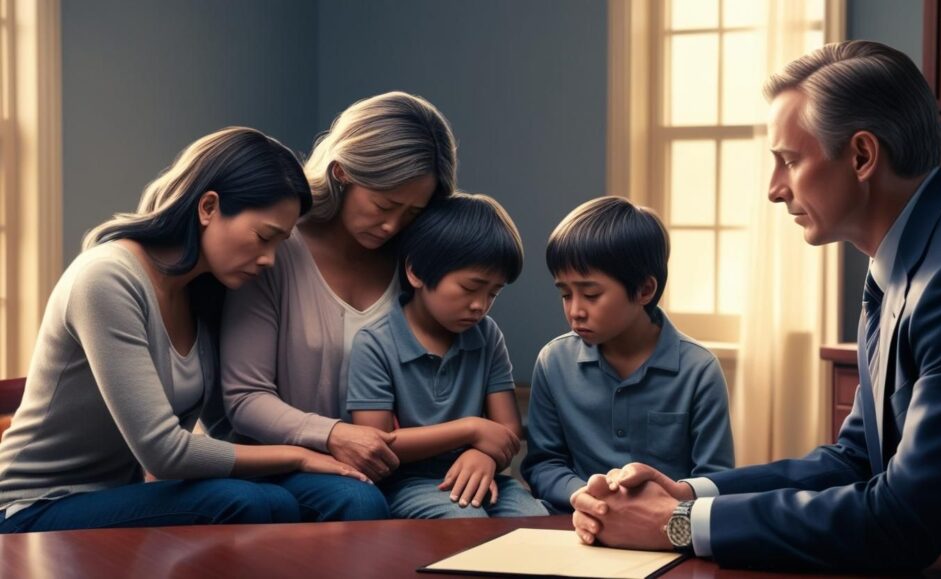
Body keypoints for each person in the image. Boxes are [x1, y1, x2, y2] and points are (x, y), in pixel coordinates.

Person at [570, 40, 941, 573]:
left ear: (861, 156)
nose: (773, 189)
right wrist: (686, 493)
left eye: (788, 160)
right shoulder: (908, 259)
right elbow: (854, 460)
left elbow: (902, 520)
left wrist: (678, 524)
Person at [0, 127, 369, 533]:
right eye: (265, 237)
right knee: (243, 502)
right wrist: (297, 456)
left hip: (118, 495)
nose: (269, 259)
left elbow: (224, 426)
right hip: (32, 508)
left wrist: (326, 456)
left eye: (280, 244)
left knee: (336, 498)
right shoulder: (106, 278)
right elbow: (164, 453)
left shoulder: (204, 291)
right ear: (208, 207)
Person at [220, 92, 458, 520]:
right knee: (359, 501)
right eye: (384, 205)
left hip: (399, 468)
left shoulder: (416, 264)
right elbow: (245, 398)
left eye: (411, 213)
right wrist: (332, 435)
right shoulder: (274, 250)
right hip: (283, 464)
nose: (392, 225)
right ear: (341, 173)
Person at [521, 196, 734, 514]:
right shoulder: (553, 362)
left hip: (664, 529)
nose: (575, 311)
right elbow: (543, 465)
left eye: (591, 294)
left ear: (644, 290)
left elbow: (714, 480)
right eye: (565, 294)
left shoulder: (699, 370)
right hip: (573, 522)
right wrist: (584, 497)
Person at [347, 193, 548, 519]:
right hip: (409, 483)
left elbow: (507, 427)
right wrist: (470, 429)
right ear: (416, 272)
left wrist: (485, 456)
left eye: (493, 293)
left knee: (536, 521)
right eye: (471, 288)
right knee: (465, 523)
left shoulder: (487, 334)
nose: (480, 305)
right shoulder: (375, 343)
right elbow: (377, 444)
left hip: (485, 473)